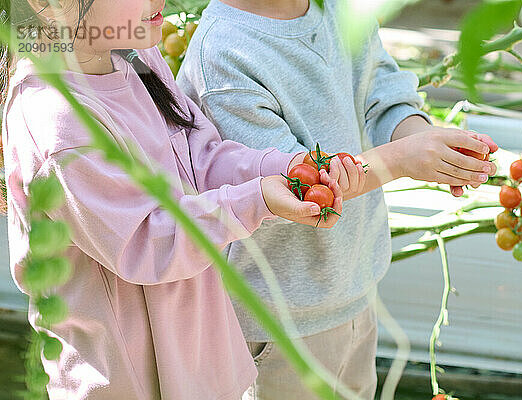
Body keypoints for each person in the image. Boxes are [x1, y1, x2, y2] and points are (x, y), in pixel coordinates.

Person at [0, 0, 344, 398]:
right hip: (130, 383)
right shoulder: (55, 120)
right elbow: (147, 241)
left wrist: (282, 169)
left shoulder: (134, 51)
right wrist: (255, 200)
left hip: (202, 366)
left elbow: (197, 155)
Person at [177, 0, 498, 398]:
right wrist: (403, 159)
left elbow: (382, 90)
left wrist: (426, 144)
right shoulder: (223, 53)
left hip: (355, 290)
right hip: (279, 323)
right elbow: (294, 189)